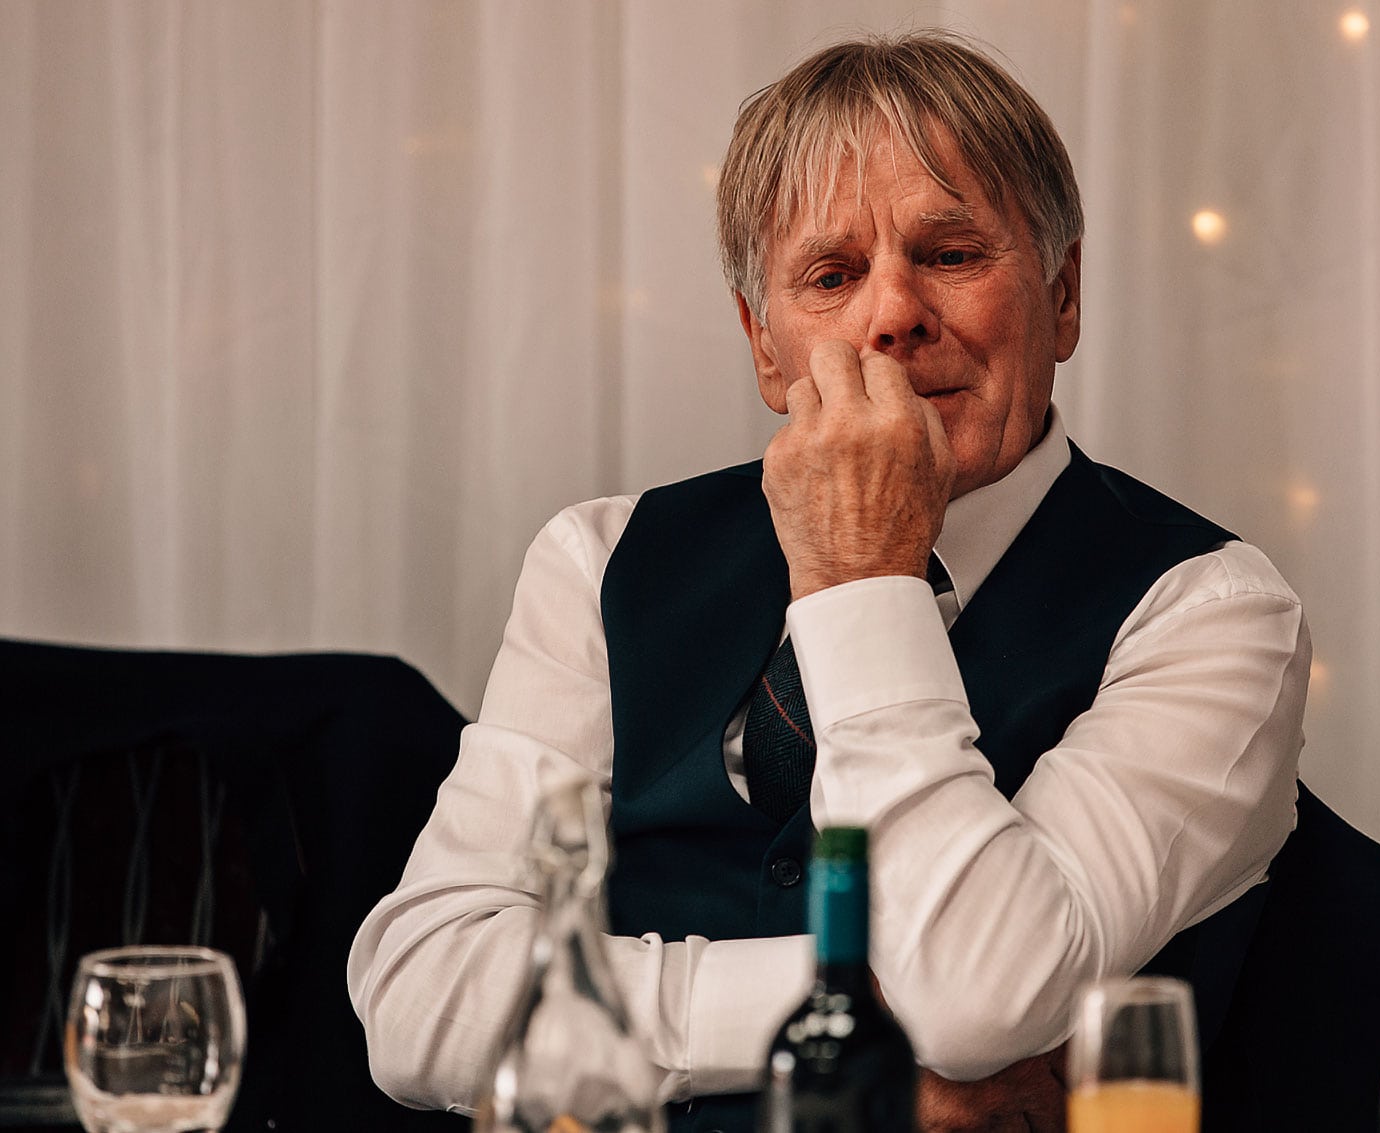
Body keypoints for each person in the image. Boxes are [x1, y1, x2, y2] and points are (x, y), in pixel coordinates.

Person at [348, 30, 1309, 1133]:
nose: (892, 314)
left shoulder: (1213, 610)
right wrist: (841, 1023)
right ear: (766, 345)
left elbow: (980, 991)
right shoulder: (600, 559)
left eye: (949, 253)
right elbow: (418, 996)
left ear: (1063, 294)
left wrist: (860, 574)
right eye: (831, 275)